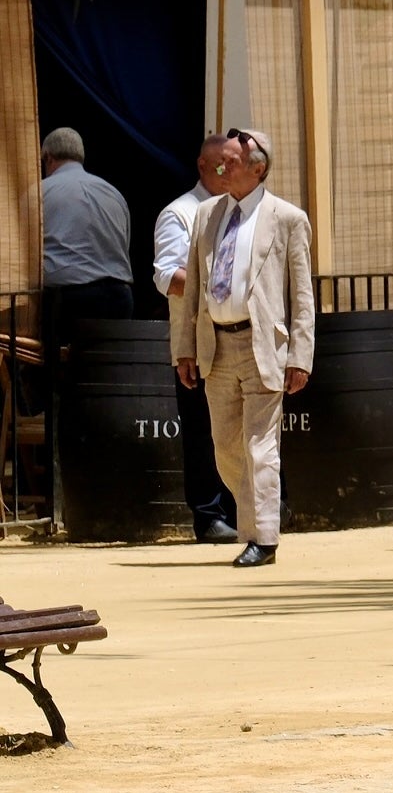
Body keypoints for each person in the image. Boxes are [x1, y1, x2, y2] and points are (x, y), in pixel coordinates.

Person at [169, 129, 313, 568]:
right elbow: (192, 287)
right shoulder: (207, 215)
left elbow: (302, 294)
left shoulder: (288, 219)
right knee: (226, 450)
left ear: (258, 168)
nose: (221, 168)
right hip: (217, 343)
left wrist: (301, 357)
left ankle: (262, 537)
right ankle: (256, 521)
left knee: (260, 446)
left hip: (262, 345)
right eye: (220, 162)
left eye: (231, 162)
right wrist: (185, 348)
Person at [152, 134, 238, 544]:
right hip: (199, 340)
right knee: (202, 428)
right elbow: (167, 276)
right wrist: (220, 288)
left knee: (238, 429)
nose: (229, 171)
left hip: (240, 336)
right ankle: (208, 515)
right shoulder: (180, 213)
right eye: (221, 164)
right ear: (203, 166)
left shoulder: (242, 214)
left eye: (235, 163)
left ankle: (244, 509)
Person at [41, 126, 134, 332]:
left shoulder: (40, 193)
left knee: (62, 364)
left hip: (68, 301)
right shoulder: (114, 194)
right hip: (119, 298)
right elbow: (124, 246)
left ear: (47, 157)